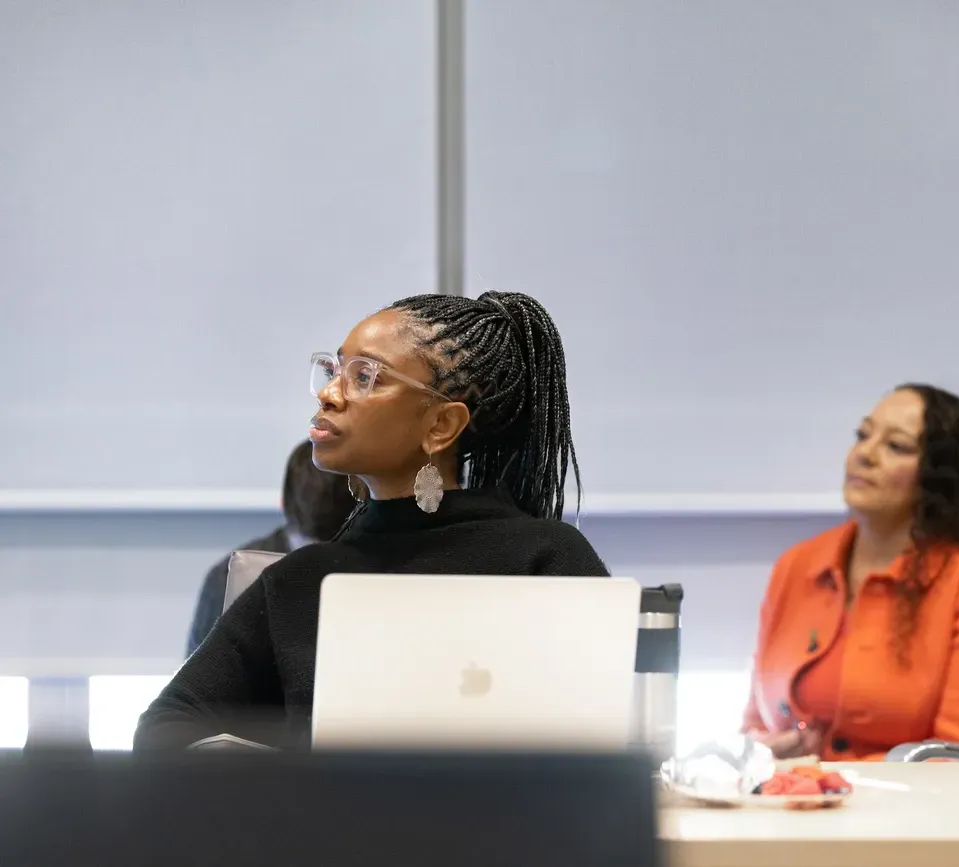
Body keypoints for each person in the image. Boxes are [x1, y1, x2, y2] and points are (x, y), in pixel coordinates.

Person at [136, 291, 608, 750]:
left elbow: (602, 750)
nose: (328, 393)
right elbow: (165, 728)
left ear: (440, 426)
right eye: (335, 369)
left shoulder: (546, 562)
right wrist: (291, 784)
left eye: (365, 377)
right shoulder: (299, 580)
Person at [742, 384, 959, 761]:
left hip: (929, 816)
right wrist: (762, 755)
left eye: (896, 446)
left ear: (940, 476)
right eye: (863, 435)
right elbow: (756, 724)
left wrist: (826, 776)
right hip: (794, 811)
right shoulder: (798, 565)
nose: (864, 454)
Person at [185, 440, 355, 655]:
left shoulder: (229, 577)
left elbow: (195, 682)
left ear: (282, 502)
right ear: (361, 503)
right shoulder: (386, 569)